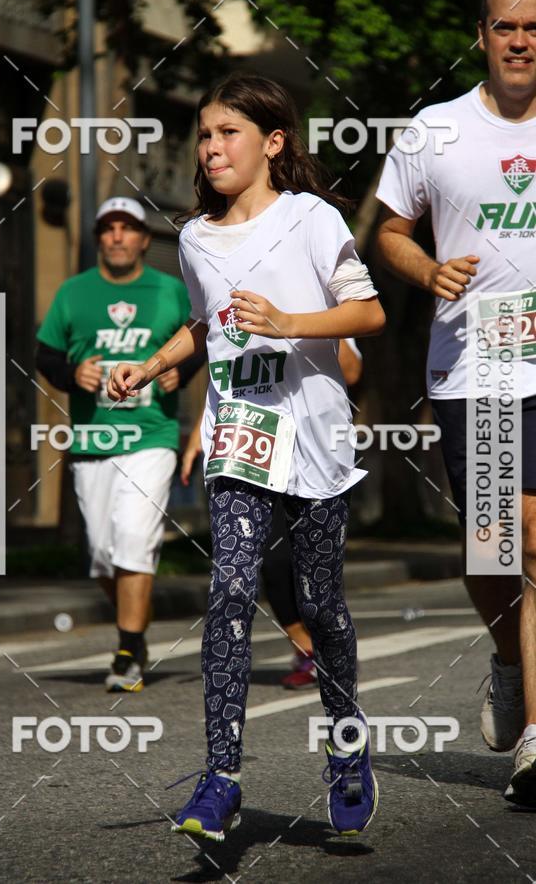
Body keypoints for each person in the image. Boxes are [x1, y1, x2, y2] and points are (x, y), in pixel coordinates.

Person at [108, 74, 385, 840]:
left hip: (317, 442)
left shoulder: (311, 218)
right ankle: (221, 777)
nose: (211, 147)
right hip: (241, 440)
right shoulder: (195, 235)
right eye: (203, 135)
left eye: (227, 132)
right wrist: (157, 363)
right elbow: (203, 326)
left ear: (272, 143)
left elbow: (370, 309)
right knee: (228, 592)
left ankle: (348, 746)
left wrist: (291, 320)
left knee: (321, 608)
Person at [376, 0, 536, 806]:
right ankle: (509, 659)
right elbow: (389, 233)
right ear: (481, 36)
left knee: (534, 538)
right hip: (478, 365)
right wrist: (429, 270)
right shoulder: (435, 127)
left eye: (534, 28)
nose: (520, 40)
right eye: (505, 27)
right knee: (491, 545)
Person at [36, 196, 201, 693]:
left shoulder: (172, 290)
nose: (117, 237)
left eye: (127, 228)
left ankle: (127, 651)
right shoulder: (74, 292)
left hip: (151, 436)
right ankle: (137, 633)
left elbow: (205, 338)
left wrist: (179, 371)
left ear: (144, 240)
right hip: (93, 439)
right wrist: (72, 372)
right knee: (105, 556)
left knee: (133, 536)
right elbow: (45, 354)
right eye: (108, 229)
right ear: (98, 240)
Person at [181, 338, 363, 691]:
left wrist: (295, 323)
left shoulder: (314, 288)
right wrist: (201, 433)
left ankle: (332, 658)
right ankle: (305, 648)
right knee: (268, 560)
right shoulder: (232, 292)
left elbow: (353, 369)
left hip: (311, 449)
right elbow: (223, 364)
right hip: (250, 437)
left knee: (318, 587)